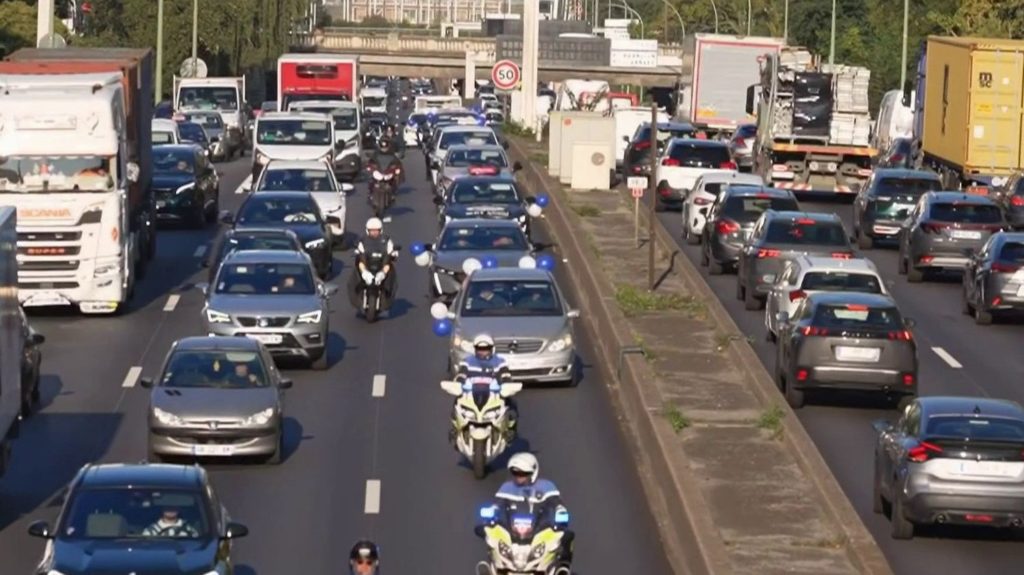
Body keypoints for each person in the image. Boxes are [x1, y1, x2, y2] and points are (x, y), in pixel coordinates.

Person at [475, 453, 574, 564]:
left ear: (533, 472)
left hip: (540, 533)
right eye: (516, 473)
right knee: (489, 535)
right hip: (512, 534)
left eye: (523, 473)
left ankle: (563, 568)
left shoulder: (546, 487)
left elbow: (557, 503)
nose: (519, 476)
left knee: (566, 537)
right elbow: (497, 504)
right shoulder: (507, 488)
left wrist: (561, 511)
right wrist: (491, 510)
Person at [454, 334, 517, 436]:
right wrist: (458, 383)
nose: (483, 352)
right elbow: (461, 374)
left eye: (486, 349)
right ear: (475, 349)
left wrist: (507, 384)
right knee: (457, 402)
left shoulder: (500, 361)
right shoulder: (467, 361)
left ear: (492, 349)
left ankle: (510, 429)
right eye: (480, 349)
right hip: (470, 393)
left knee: (512, 406)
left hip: (495, 394)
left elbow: (506, 375)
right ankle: (457, 429)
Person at [348, 217, 398, 312]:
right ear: (367, 231)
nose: (374, 232)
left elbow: (391, 251)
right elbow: (358, 250)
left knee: (389, 265)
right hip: (367, 265)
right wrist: (357, 253)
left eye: (376, 230)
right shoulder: (362, 240)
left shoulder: (386, 240)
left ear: (381, 230)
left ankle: (385, 289)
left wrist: (393, 254)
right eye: (372, 230)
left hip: (381, 265)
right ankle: (363, 278)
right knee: (359, 264)